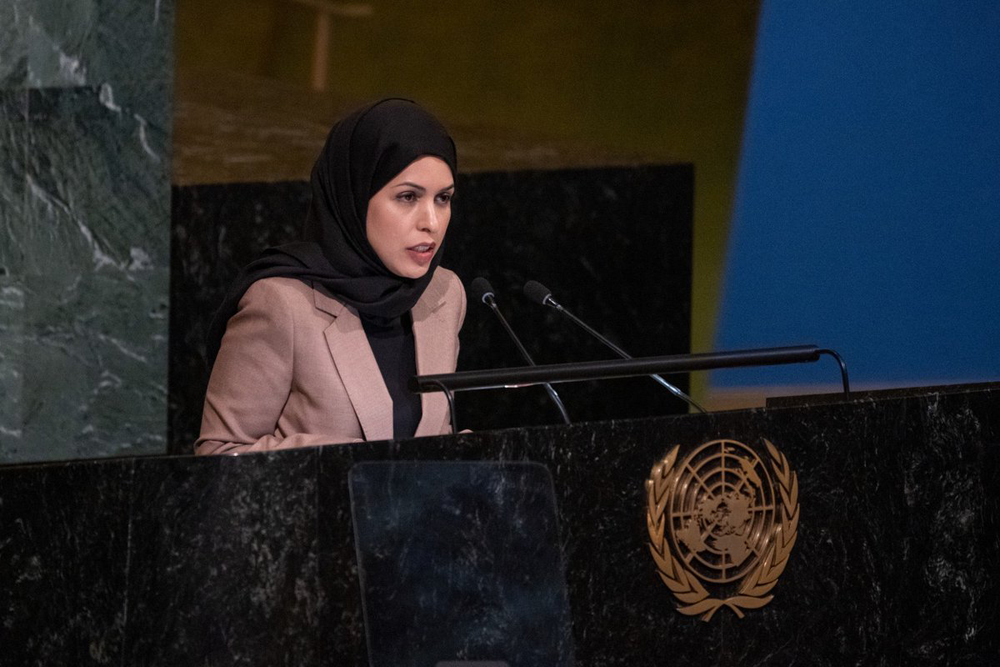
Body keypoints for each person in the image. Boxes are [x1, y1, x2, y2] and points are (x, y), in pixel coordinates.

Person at [195, 99, 465, 455]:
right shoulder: (281, 304)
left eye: (443, 199)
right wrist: (342, 460)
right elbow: (218, 454)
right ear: (353, 196)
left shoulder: (444, 294)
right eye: (407, 197)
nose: (430, 221)